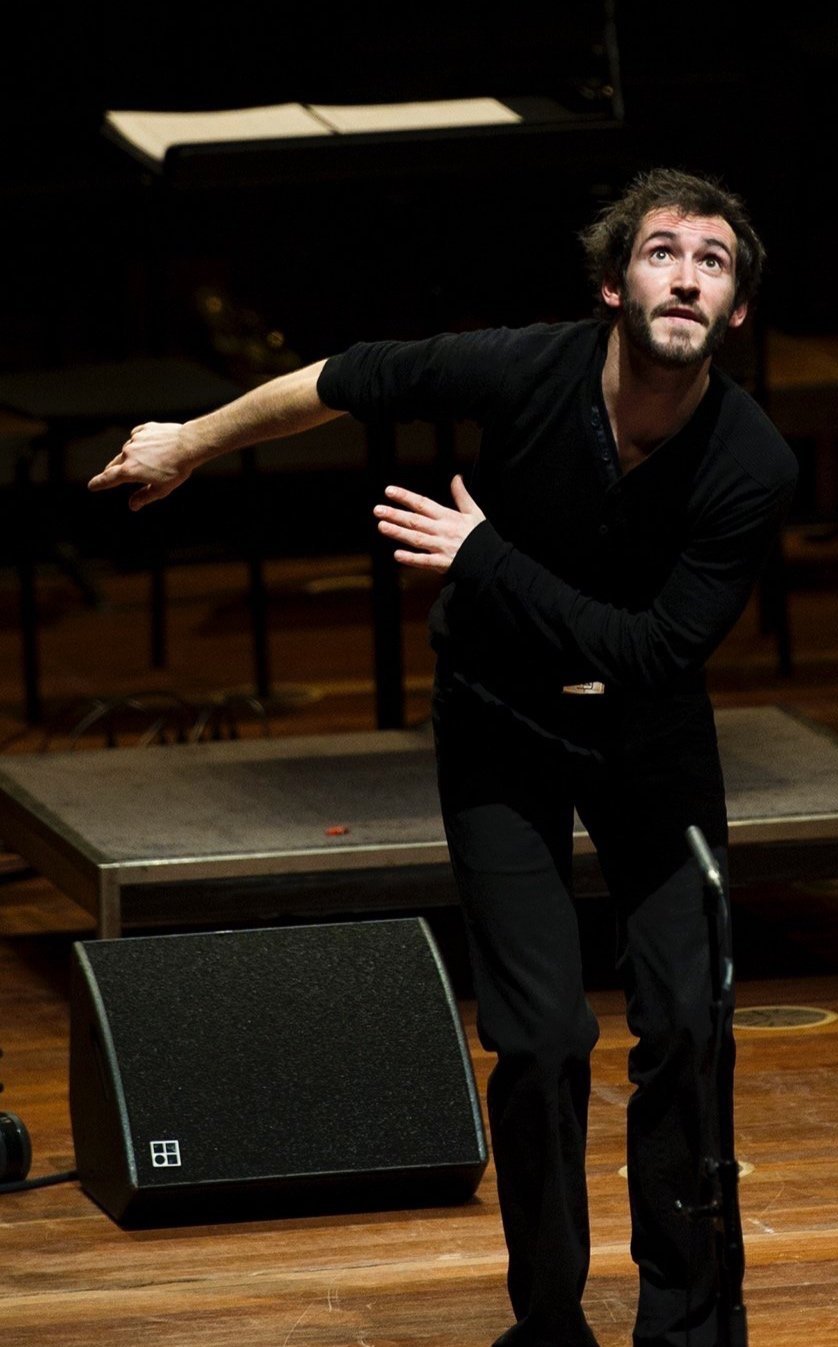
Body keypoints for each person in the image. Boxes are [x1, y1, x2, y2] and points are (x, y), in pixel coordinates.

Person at [89, 167, 798, 1347]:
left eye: (712, 263)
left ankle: (688, 1328)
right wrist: (188, 443)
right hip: (499, 726)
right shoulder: (524, 368)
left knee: (688, 1021)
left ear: (735, 314)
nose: (685, 276)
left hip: (648, 742)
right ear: (613, 286)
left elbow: (652, 653)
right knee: (541, 1038)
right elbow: (346, 376)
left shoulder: (752, 461)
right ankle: (547, 1324)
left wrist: (484, 559)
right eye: (662, 252)